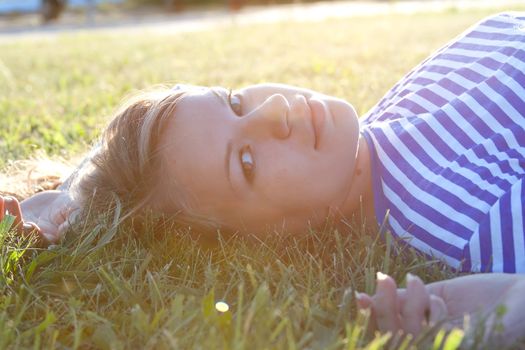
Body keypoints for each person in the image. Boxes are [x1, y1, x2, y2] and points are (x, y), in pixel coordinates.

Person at [1, 11, 524, 343]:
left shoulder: (378, 125)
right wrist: (476, 317)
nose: (274, 109)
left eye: (233, 101)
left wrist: (64, 198)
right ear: (270, 237)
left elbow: (136, 168)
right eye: (246, 162)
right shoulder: (467, 217)